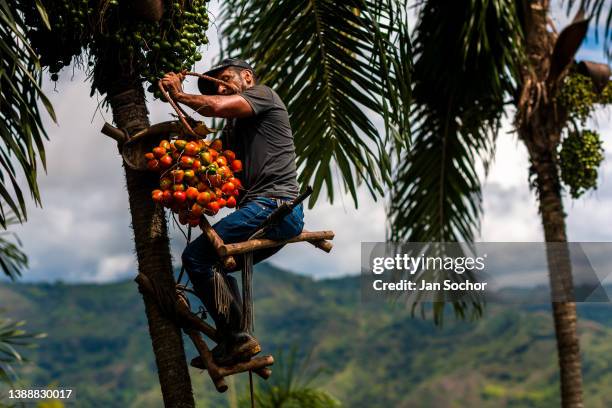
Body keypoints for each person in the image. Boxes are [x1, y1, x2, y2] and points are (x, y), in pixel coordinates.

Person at [161, 58, 304, 366]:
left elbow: (215, 107)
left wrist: (180, 94)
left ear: (248, 77)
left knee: (196, 257)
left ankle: (236, 338)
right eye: (217, 86)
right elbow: (209, 156)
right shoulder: (235, 128)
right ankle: (235, 340)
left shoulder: (264, 95)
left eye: (226, 80)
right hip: (267, 211)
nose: (222, 87)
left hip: (274, 205)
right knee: (214, 266)